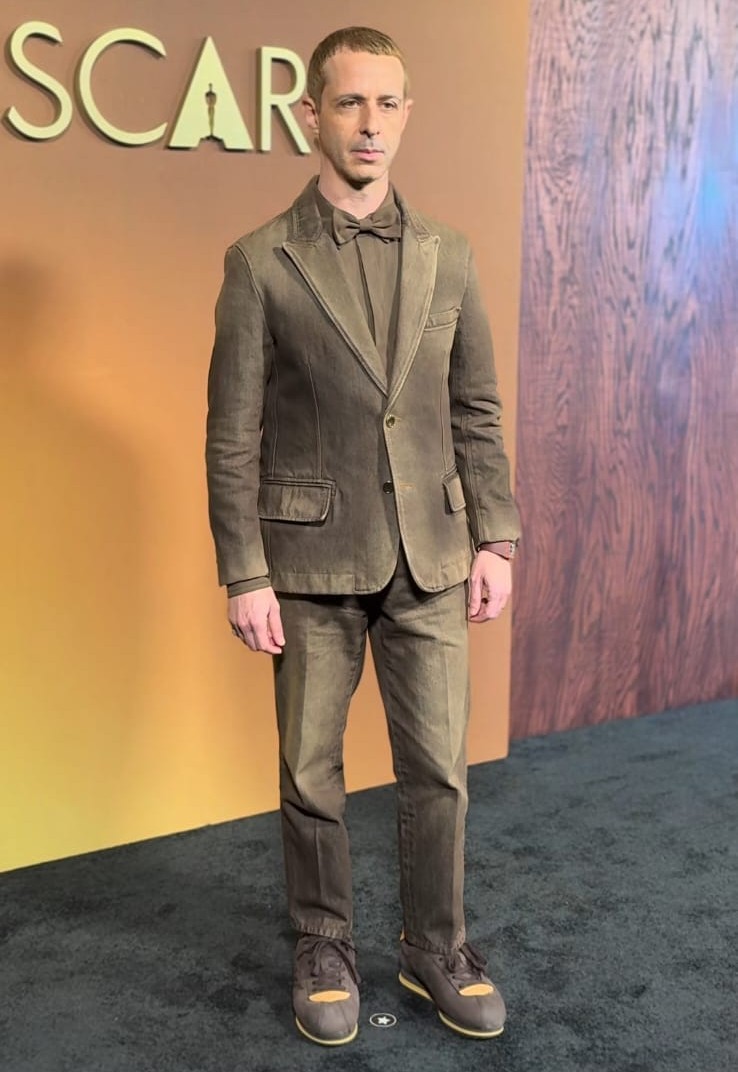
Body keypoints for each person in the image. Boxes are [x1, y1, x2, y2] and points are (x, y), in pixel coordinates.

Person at [205, 26, 521, 1047]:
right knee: (310, 771)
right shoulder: (260, 261)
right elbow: (232, 434)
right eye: (349, 103)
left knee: (440, 771)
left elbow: (476, 409)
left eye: (387, 104)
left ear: (407, 115)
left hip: (433, 554)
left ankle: (436, 948)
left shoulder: (450, 254)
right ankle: (323, 945)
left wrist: (497, 538)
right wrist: (244, 571)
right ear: (312, 115)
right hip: (307, 562)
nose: (370, 124)